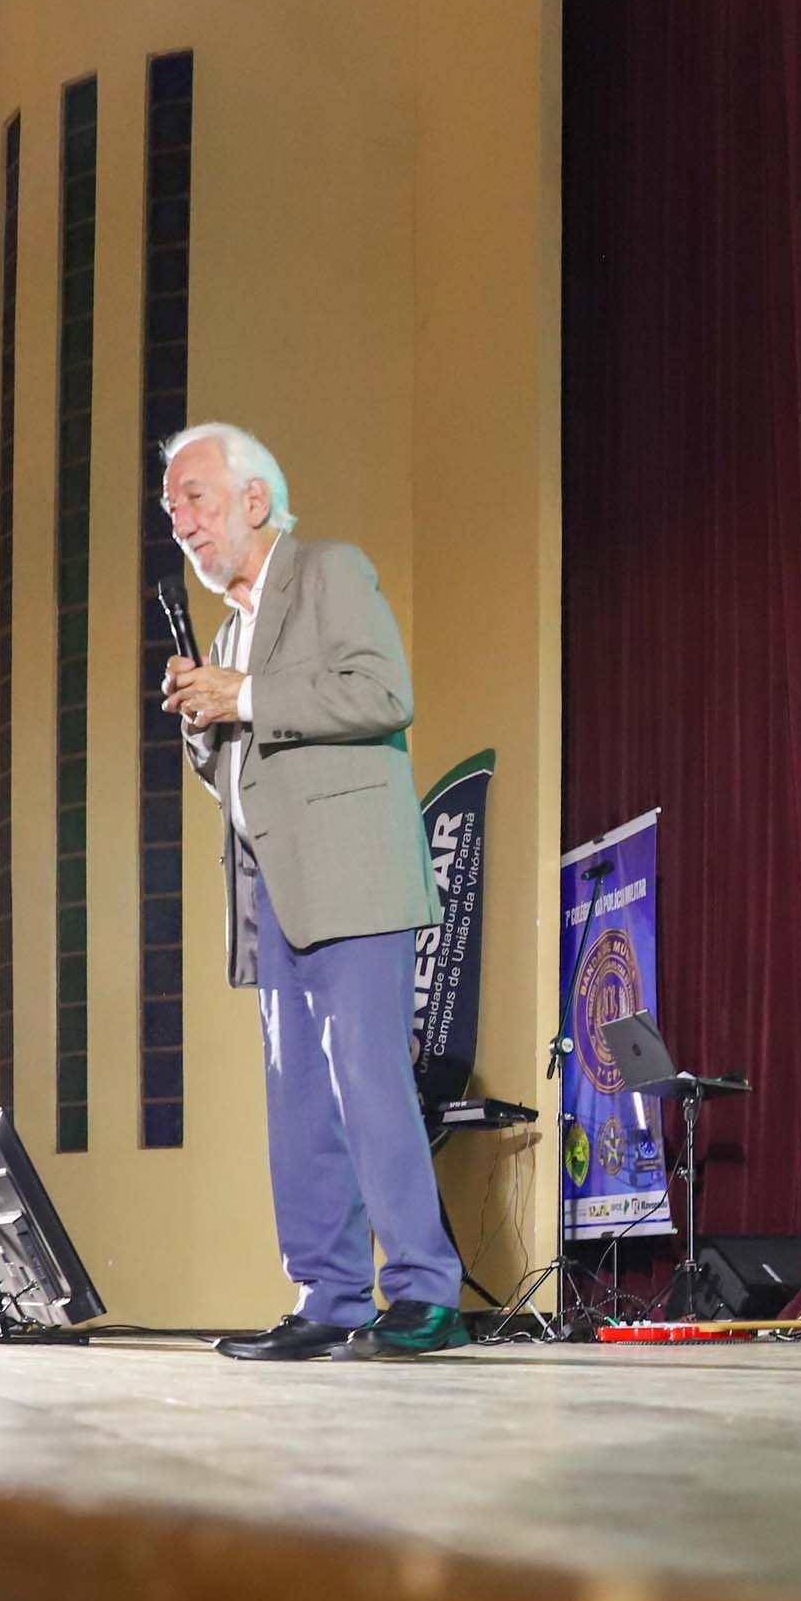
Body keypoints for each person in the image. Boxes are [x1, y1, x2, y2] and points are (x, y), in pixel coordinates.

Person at [157, 422, 464, 1361]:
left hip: (352, 881)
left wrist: (245, 696)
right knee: (298, 1107)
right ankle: (329, 1296)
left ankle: (425, 1292)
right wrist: (201, 720)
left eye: (194, 497)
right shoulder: (228, 630)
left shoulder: (328, 571)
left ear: (254, 499)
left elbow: (384, 694)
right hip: (273, 896)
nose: (181, 521)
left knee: (368, 1084)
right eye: (171, 509)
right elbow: (244, 778)